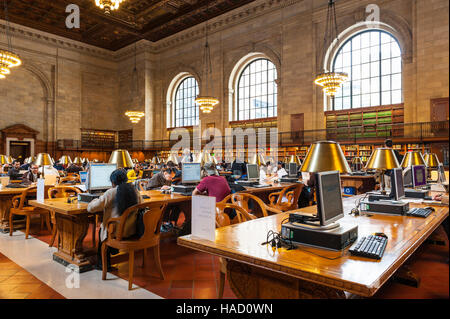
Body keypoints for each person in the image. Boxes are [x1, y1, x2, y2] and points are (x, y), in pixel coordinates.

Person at [87, 169, 141, 270]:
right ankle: (112, 251)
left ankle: (102, 264)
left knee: (103, 229)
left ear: (112, 182)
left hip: (116, 232)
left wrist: (95, 200)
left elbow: (91, 208)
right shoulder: (135, 191)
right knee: (108, 227)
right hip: (132, 230)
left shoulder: (111, 192)